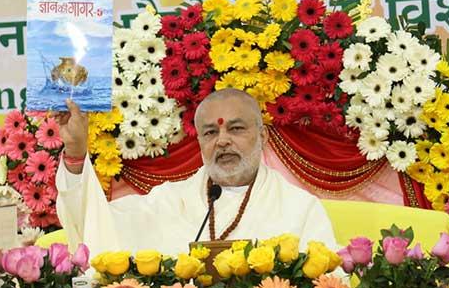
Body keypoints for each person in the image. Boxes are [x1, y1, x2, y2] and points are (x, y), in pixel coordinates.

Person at [55, 88, 337, 255]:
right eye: (210, 132)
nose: (223, 140)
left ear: (263, 137)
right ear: (200, 141)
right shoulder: (169, 201)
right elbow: (95, 221)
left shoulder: (299, 208)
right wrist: (77, 153)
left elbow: (329, 286)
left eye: (236, 129)